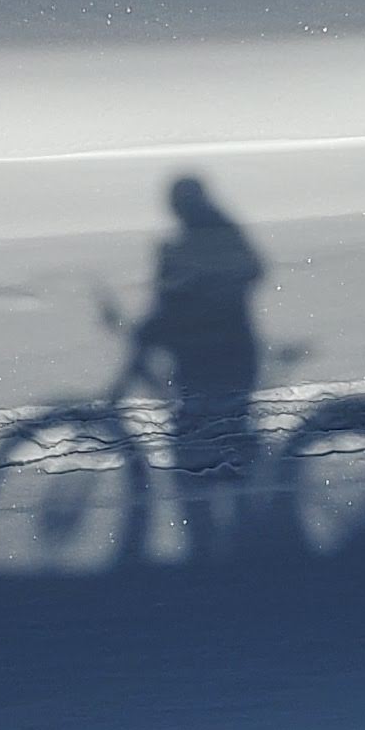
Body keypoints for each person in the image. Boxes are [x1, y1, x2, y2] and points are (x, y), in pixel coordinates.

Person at [128, 175, 267, 551]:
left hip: (210, 354)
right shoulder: (222, 235)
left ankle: (218, 546)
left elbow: (170, 300)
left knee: (200, 440)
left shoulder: (191, 245)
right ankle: (242, 534)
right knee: (224, 435)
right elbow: (252, 272)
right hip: (223, 352)